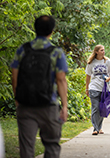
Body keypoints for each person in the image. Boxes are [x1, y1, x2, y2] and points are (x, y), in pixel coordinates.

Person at [11, 15, 68, 157]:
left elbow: (14, 76)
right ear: (51, 31)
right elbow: (61, 79)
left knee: (26, 146)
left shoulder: (23, 50)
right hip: (49, 105)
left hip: (26, 105)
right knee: (52, 145)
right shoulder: (56, 52)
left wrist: (17, 98)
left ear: (35, 29)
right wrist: (64, 106)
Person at [85, 45, 110, 135]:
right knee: (95, 108)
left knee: (102, 108)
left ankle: (99, 127)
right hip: (94, 87)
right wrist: (87, 88)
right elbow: (88, 76)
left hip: (104, 88)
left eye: (104, 50)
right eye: (101, 50)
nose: (103, 52)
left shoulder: (107, 61)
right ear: (96, 52)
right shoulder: (91, 63)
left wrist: (109, 78)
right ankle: (95, 128)